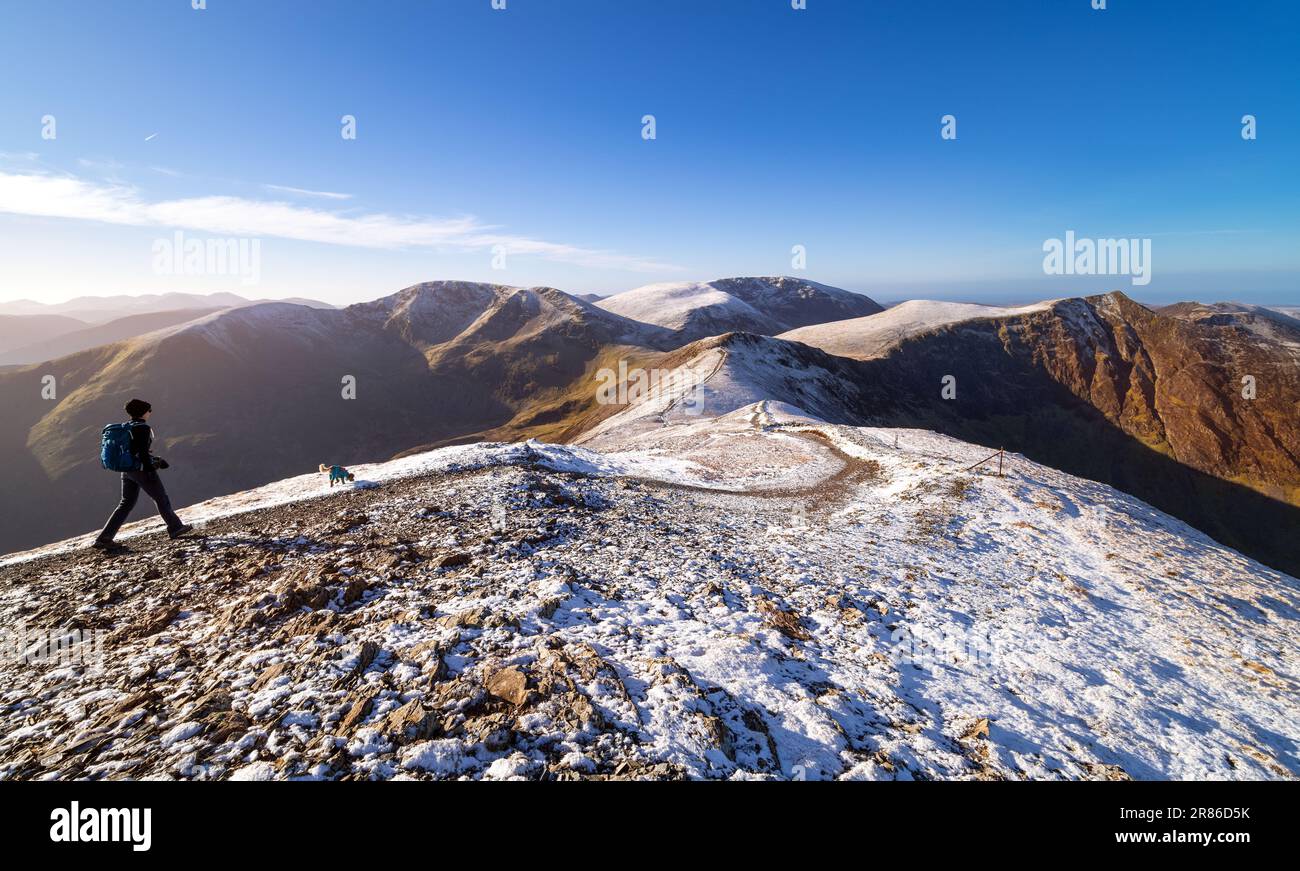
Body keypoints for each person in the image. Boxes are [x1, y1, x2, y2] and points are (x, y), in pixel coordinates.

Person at [93, 398, 193, 550]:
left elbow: (134, 452)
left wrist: (157, 460)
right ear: (143, 412)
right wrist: (151, 469)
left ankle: (104, 538)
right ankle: (175, 527)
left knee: (125, 504)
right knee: (160, 497)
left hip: (127, 470)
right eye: (149, 410)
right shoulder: (143, 428)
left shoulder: (128, 427)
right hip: (141, 469)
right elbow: (142, 453)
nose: (150, 412)